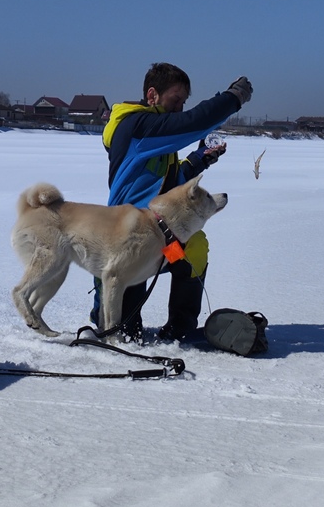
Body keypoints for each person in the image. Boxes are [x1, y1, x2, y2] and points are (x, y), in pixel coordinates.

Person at [91, 62, 252, 343]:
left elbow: (170, 181)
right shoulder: (137, 126)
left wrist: (199, 159)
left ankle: (180, 327)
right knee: (123, 331)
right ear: (152, 95)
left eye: (183, 102)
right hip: (127, 244)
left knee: (195, 248)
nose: (179, 108)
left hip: (161, 247)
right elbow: (194, 122)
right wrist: (233, 98)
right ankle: (111, 320)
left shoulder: (156, 141)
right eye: (175, 100)